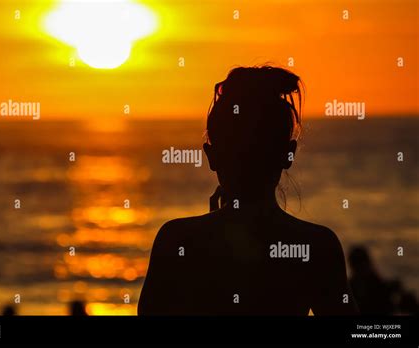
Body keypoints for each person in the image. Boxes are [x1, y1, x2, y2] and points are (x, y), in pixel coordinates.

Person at [138, 65, 358, 315]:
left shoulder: (176, 240)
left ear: (211, 156)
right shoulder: (317, 247)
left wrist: (214, 223)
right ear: (289, 154)